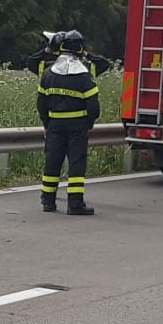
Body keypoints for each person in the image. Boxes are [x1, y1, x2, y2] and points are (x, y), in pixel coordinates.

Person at [23, 29, 107, 216]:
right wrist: (89, 123)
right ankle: (75, 204)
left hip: (54, 125)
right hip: (77, 126)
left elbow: (41, 102)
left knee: (52, 162)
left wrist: (46, 123)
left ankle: (48, 201)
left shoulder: (48, 73)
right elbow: (93, 106)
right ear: (79, 48)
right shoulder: (84, 75)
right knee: (76, 163)